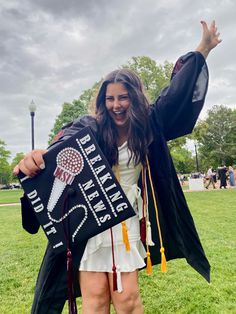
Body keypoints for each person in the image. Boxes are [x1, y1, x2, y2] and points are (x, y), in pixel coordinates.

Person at [14, 20, 221, 314]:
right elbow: (59, 149)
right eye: (110, 98)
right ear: (102, 102)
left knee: (127, 300)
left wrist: (203, 49)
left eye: (123, 97)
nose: (116, 104)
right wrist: (35, 157)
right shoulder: (90, 128)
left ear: (134, 98)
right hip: (92, 219)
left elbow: (174, 94)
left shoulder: (148, 125)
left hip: (126, 220)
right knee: (95, 299)